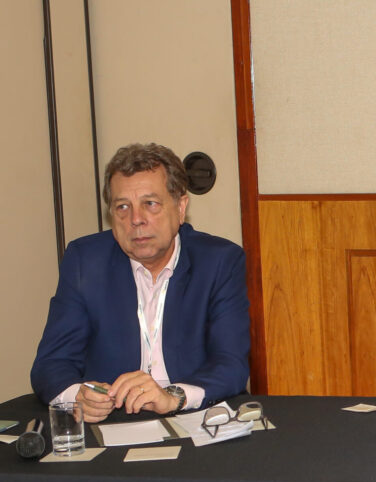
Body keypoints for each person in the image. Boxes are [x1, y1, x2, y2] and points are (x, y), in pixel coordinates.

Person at [31, 143, 250, 422]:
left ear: (180, 208)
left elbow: (231, 363)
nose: (136, 220)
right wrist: (78, 396)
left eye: (150, 204)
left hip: (193, 413)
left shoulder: (219, 261)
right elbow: (50, 364)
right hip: (115, 420)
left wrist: (173, 396)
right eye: (122, 207)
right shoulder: (85, 260)